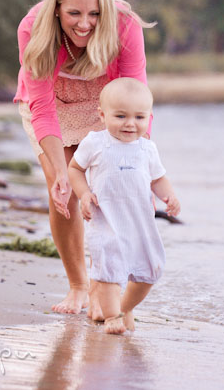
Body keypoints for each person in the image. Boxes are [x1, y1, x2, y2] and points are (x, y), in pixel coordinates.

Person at [13, 0, 155, 314]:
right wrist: (62, 172)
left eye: (94, 13)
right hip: (52, 102)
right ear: (57, 9)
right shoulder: (33, 27)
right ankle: (77, 286)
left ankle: (103, 286)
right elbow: (42, 108)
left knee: (108, 181)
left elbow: (136, 98)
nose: (84, 23)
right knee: (61, 187)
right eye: (74, 12)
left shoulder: (124, 26)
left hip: (104, 99)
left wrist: (143, 171)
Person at [68, 78, 180, 334]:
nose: (130, 124)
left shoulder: (147, 149)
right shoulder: (95, 143)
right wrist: (84, 194)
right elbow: (75, 169)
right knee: (108, 273)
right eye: (120, 116)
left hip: (140, 223)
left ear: (149, 117)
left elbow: (158, 178)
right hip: (106, 221)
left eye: (139, 118)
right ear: (102, 114)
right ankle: (112, 316)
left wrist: (169, 197)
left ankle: (124, 307)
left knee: (150, 270)